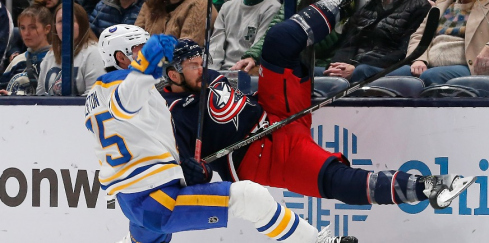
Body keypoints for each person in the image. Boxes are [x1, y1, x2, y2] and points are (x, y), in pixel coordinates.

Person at [158, 0, 475, 213]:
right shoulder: (167, 114)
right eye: (193, 66)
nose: (203, 68)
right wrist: (195, 172)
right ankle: (431, 187)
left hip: (273, 109)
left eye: (202, 61)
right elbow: (182, 177)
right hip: (262, 158)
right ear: (173, 74)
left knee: (279, 42)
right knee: (337, 180)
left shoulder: (203, 75)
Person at [87, 27, 358, 243]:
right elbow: (124, 106)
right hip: (156, 198)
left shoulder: (93, 96)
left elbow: (133, 134)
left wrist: (182, 167)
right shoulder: (128, 87)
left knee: (142, 239)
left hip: (135, 198)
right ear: (121, 57)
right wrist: (146, 65)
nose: (146, 53)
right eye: (139, 49)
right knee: (250, 197)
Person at [324, 0, 431, 83]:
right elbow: (348, 42)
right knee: (312, 73)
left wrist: (355, 68)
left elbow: (403, 52)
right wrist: (337, 66)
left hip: (381, 68)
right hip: (354, 66)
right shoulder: (371, 3)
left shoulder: (420, 7)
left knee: (361, 71)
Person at [236, 0, 340, 75]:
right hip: (291, 63)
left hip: (323, 67)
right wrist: (252, 56)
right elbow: (271, 32)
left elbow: (320, 43)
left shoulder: (336, 3)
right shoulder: (293, 0)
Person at [399, 0, 489, 85]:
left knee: (430, 76)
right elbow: (419, 35)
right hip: (428, 64)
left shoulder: (486, 4)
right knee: (391, 77)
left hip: (466, 66)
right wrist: (419, 59)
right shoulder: (442, 3)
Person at [208, 0, 281, 71]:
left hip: (250, 73)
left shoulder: (274, 8)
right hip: (221, 74)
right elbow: (215, 48)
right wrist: (211, 74)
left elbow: (259, 48)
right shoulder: (226, 7)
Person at [36, 3, 105, 96]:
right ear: (55, 26)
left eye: (71, 20)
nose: (65, 25)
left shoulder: (94, 53)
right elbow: (40, 95)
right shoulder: (50, 55)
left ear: (82, 24)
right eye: (60, 21)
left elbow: (95, 96)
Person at [0, 0, 52, 95]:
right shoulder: (17, 61)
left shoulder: (57, 60)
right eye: (22, 28)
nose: (26, 33)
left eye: (33, 27)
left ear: (47, 29)